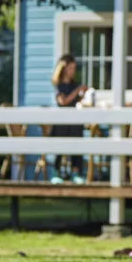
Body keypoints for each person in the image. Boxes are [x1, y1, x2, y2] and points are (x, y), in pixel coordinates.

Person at [50, 54, 89, 184]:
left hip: (75, 121)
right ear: (64, 69)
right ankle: (57, 172)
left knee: (77, 143)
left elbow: (77, 100)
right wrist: (77, 91)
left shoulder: (74, 85)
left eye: (74, 68)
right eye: (70, 68)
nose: (72, 71)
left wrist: (84, 95)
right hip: (62, 122)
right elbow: (63, 101)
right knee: (59, 147)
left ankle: (76, 172)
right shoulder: (59, 86)